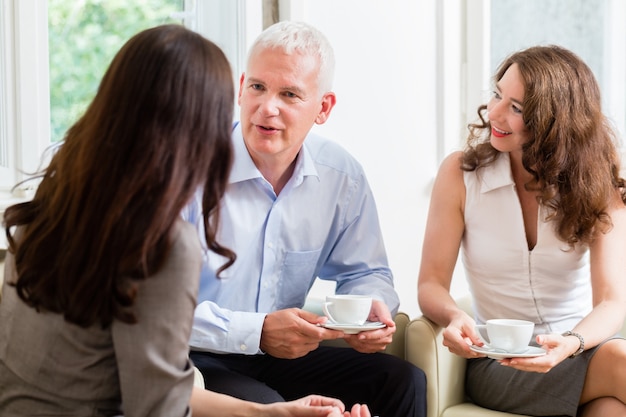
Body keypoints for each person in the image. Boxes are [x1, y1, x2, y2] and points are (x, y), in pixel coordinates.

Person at [0, 24, 371, 417]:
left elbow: (155, 386)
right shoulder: (159, 240)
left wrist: (276, 414)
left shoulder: (54, 204)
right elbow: (159, 408)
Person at [184, 20, 427, 417]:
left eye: (290, 94)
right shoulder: (189, 171)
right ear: (241, 88)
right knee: (272, 408)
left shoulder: (340, 177)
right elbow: (154, 310)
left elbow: (367, 272)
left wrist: (369, 312)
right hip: (196, 357)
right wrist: (258, 331)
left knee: (401, 381)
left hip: (281, 357)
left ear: (323, 107)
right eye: (257, 87)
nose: (268, 108)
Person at [417, 45, 626, 417]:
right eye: (498, 95)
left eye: (516, 108)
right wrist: (454, 317)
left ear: (555, 122)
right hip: (498, 363)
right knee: (620, 361)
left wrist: (571, 343)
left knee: (611, 408)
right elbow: (431, 283)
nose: (494, 113)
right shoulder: (461, 176)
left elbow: (611, 301)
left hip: (579, 350)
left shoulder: (598, 181)